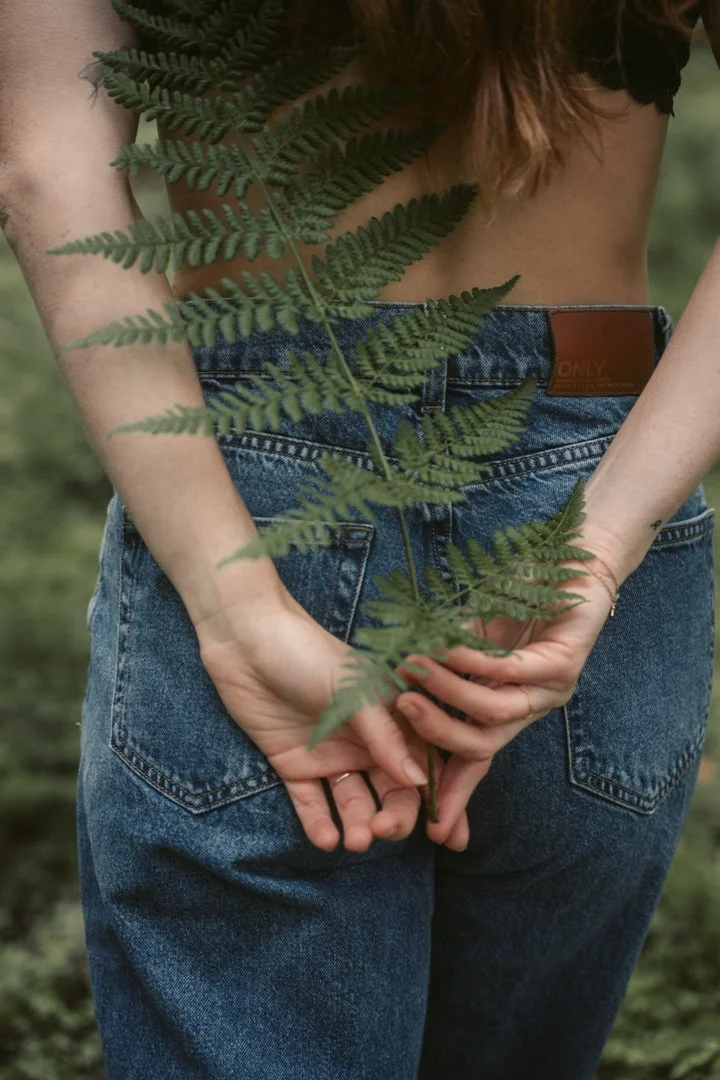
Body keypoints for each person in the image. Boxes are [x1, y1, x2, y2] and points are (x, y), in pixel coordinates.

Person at [1, 0, 718, 1076]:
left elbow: (45, 168)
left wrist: (231, 609)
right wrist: (601, 547)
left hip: (240, 492)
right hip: (599, 481)